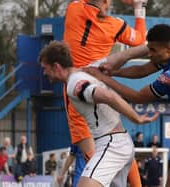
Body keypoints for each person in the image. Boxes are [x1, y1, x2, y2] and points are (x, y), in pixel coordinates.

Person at [84, 24, 170, 187]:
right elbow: (142, 70)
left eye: (153, 50)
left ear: (168, 49)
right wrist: (113, 72)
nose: (149, 54)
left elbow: (137, 97)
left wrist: (103, 79)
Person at [39, 41, 158, 187]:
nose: (44, 73)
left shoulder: (74, 85)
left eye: (45, 68)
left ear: (56, 67)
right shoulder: (92, 68)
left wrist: (136, 118)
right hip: (121, 141)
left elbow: (109, 96)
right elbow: (127, 54)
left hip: (111, 144)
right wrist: (157, 45)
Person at [63, 0, 148, 185]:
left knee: (94, 160)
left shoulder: (73, 9)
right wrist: (138, 7)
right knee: (117, 145)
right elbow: (140, 39)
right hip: (99, 88)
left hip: (76, 90)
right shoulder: (116, 26)